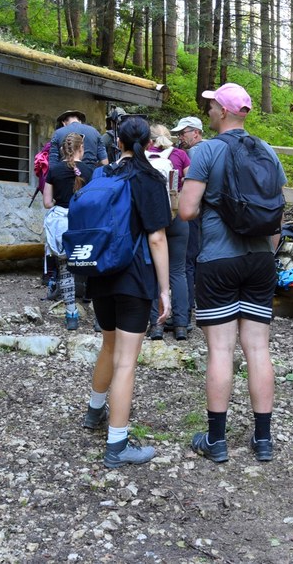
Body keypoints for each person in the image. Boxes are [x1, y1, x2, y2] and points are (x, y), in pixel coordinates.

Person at [179, 83, 285, 463]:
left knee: (221, 349)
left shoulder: (206, 150)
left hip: (218, 261)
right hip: (259, 260)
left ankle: (217, 441)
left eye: (211, 106)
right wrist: (266, 254)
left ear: (224, 112)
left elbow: (187, 211)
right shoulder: (269, 152)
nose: (207, 112)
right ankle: (263, 440)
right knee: (258, 348)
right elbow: (276, 216)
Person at [82, 117, 172, 468]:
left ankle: (94, 412)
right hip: (133, 278)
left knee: (108, 345)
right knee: (126, 361)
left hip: (100, 272)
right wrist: (164, 290)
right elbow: (157, 237)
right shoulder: (150, 178)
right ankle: (117, 445)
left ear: (117, 140)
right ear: (148, 141)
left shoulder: (101, 176)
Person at [43, 133, 94, 330]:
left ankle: (71, 314)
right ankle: (98, 318)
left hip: (61, 225)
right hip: (83, 223)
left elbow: (47, 203)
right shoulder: (91, 171)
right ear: (82, 149)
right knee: (93, 266)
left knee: (65, 269)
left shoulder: (54, 170)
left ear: (64, 149)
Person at [146, 123, 192, 341]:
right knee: (178, 271)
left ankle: (156, 324)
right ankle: (181, 324)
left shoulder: (145, 156)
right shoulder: (181, 155)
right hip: (178, 216)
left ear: (150, 140)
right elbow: (191, 181)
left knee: (156, 271)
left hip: (154, 219)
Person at [172, 116, 206, 327]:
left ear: (195, 132)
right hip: (208, 213)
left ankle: (187, 308)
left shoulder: (192, 154)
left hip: (193, 212)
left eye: (182, 133)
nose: (179, 138)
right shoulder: (212, 149)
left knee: (188, 260)